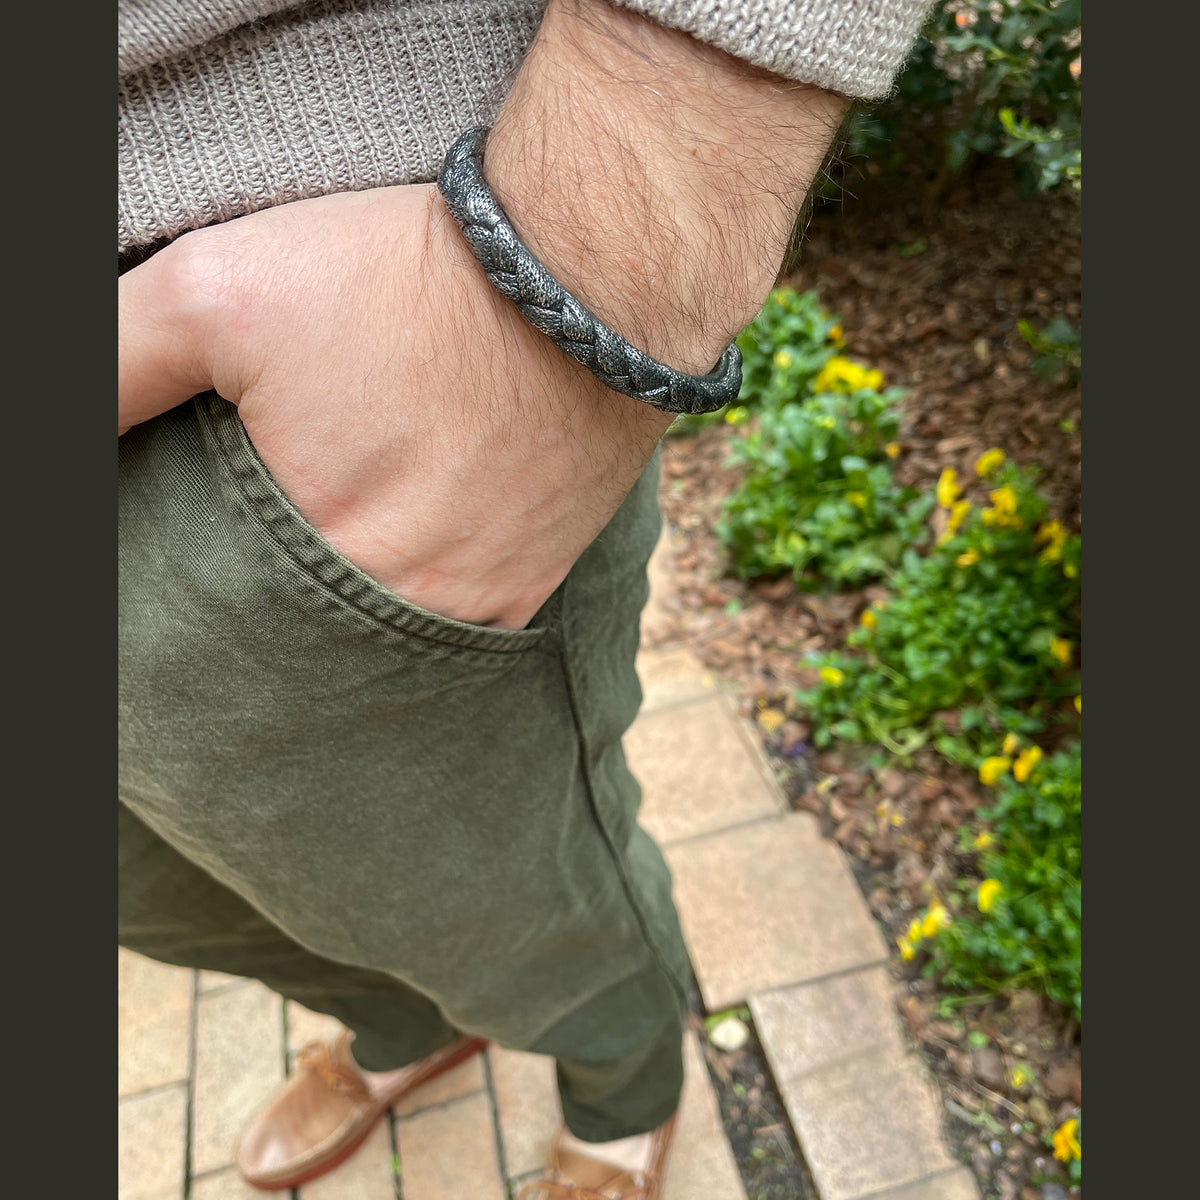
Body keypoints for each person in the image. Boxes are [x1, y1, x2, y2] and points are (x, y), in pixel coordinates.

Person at [118, 1, 934, 1195]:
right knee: (156, 894)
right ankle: (406, 1024)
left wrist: (589, 277)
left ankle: (624, 1086)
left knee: (514, 890)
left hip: (283, 357)